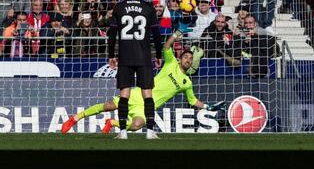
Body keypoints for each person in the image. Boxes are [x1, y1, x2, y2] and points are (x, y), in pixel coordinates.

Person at [61, 32, 225, 134]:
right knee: (108, 106)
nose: (188, 60)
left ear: (192, 64)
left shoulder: (187, 83)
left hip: (148, 106)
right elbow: (166, 47)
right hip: (139, 93)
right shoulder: (171, 63)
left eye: (191, 59)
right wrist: (176, 34)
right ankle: (74, 119)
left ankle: (112, 123)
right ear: (180, 57)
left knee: (137, 125)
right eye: (186, 57)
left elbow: (192, 100)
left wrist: (208, 107)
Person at [106, 0, 162, 139]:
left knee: (124, 94)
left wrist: (111, 55)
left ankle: (122, 131)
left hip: (125, 55)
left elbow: (112, 34)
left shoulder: (119, 7)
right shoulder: (148, 7)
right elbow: (156, 34)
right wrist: (158, 54)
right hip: (143, 55)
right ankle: (150, 131)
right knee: (147, 94)